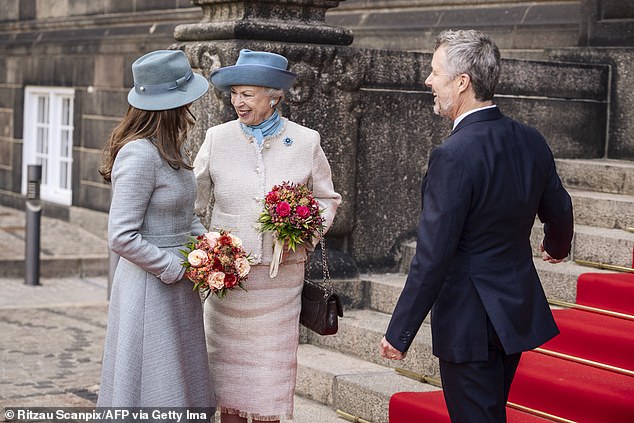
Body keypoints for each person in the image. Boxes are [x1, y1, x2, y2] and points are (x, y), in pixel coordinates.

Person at [379, 30, 574, 422]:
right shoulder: (530, 139)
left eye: (435, 73)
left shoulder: (452, 155)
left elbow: (433, 255)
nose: (428, 81)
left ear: (462, 82)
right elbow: (560, 206)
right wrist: (557, 245)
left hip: (469, 321)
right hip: (514, 310)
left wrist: (399, 332)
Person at [193, 49, 341, 423]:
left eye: (247, 94)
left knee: (268, 387)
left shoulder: (306, 141)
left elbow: (327, 199)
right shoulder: (217, 138)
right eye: (234, 93)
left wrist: (302, 232)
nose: (237, 102)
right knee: (226, 389)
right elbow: (192, 203)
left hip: (280, 285)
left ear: (274, 95)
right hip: (229, 286)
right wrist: (208, 247)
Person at [96, 49, 214, 413]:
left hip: (180, 288)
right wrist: (174, 267)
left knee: (182, 383)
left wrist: (212, 247)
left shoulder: (169, 149)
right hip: (151, 289)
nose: (189, 110)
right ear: (170, 107)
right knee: (157, 389)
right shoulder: (138, 155)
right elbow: (121, 235)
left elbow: (184, 215)